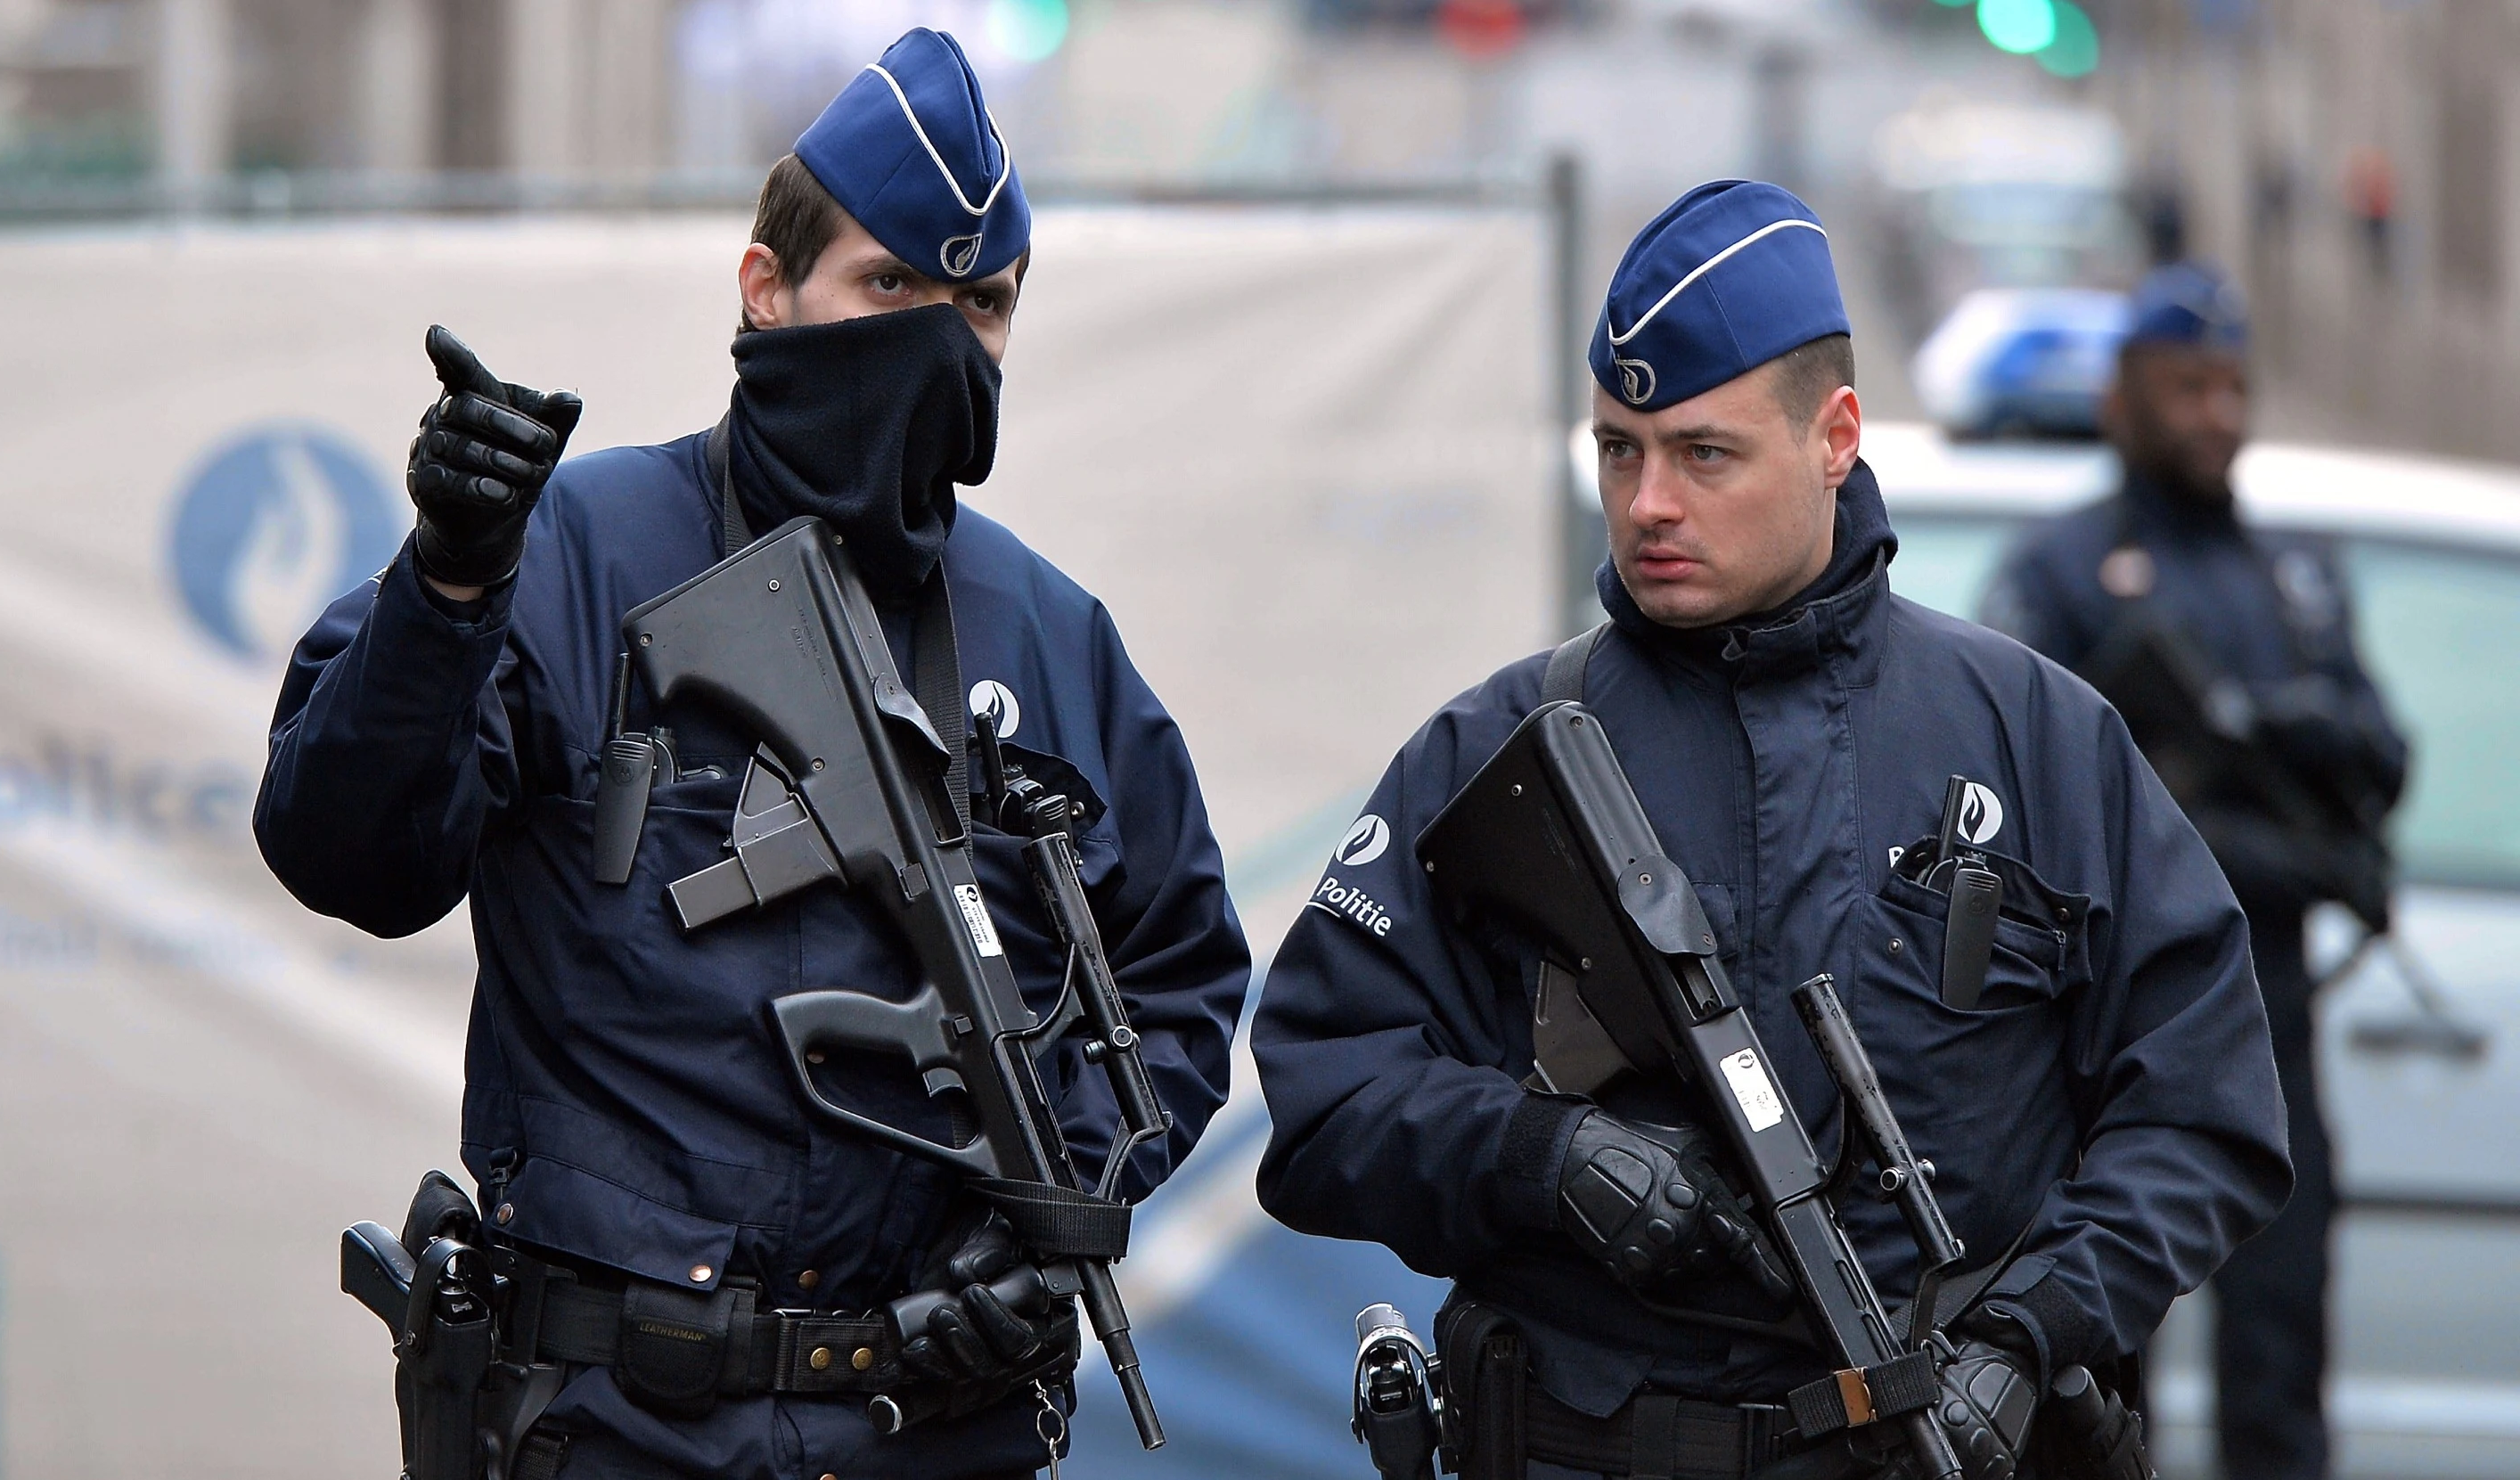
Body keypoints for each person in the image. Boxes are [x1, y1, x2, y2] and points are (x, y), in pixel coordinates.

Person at [255, 29, 1249, 1480]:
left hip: (935, 1428)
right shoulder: (581, 554)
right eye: (890, 285)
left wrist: (1052, 1213)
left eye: (981, 303)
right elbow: (349, 853)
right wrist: (450, 589)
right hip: (615, 1427)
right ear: (765, 289)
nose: (935, 341)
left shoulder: (1047, 636)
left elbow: (1177, 976)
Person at [1253, 182, 2293, 1480]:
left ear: (1836, 436)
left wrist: (2029, 1335)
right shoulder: (1502, 749)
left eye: (1704, 453)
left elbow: (2208, 1116)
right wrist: (1543, 1155)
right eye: (1617, 451)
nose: (1646, 505)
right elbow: (1324, 1085)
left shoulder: (2038, 739)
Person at [1980, 264, 2408, 1480]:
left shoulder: (2296, 577)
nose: (2218, 413)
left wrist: (2284, 737)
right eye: (2188, 388)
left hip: (2266, 1027)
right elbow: (2034, 821)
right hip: (2096, 1043)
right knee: (2100, 1398)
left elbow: (2377, 760)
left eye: (2234, 387)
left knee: (2279, 1374)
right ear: (2123, 396)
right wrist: (2254, 845)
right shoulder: (2060, 573)